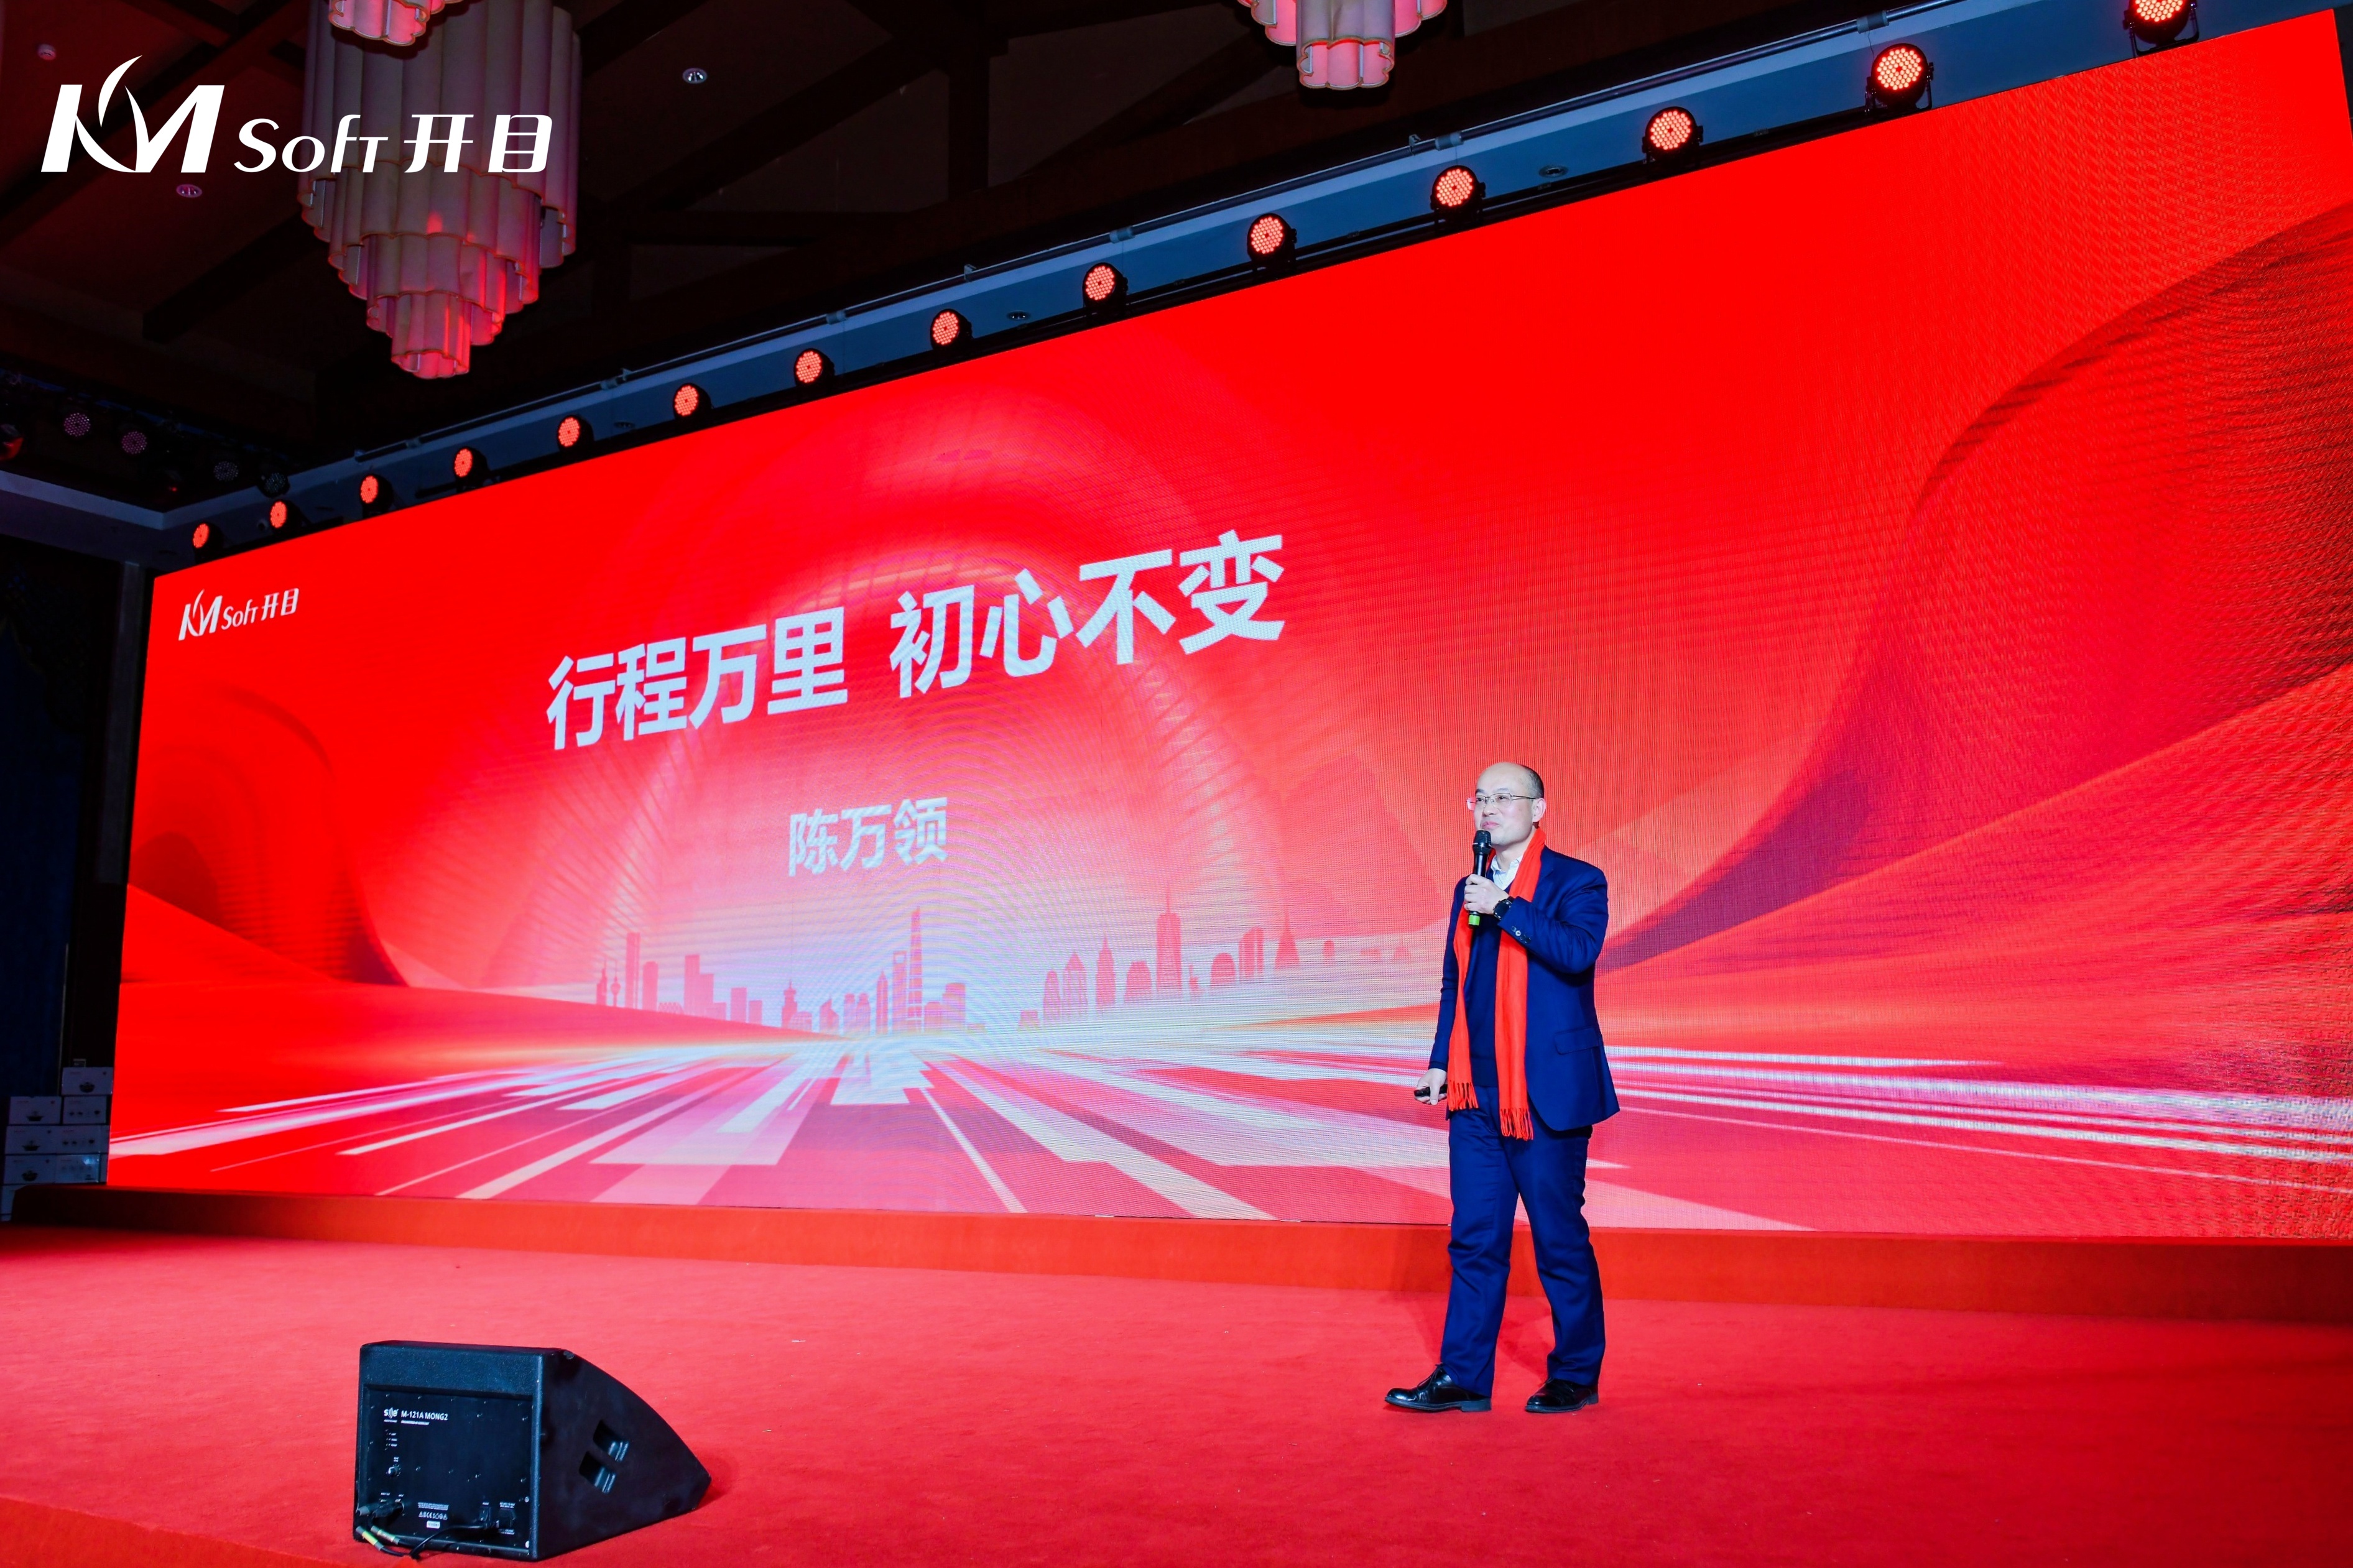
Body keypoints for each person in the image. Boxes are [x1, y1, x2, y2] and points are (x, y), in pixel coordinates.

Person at [1386, 761, 1617, 1415]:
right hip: (1476, 1093)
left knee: (1557, 1239)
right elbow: (1454, 982)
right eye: (1480, 798)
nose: (1488, 808)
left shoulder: (1578, 880)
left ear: (1538, 809)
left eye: (1504, 797)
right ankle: (1463, 1375)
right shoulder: (1469, 887)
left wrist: (1507, 907)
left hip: (1545, 1095)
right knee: (1475, 1237)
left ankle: (1576, 1373)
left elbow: (1577, 952)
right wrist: (1440, 1061)